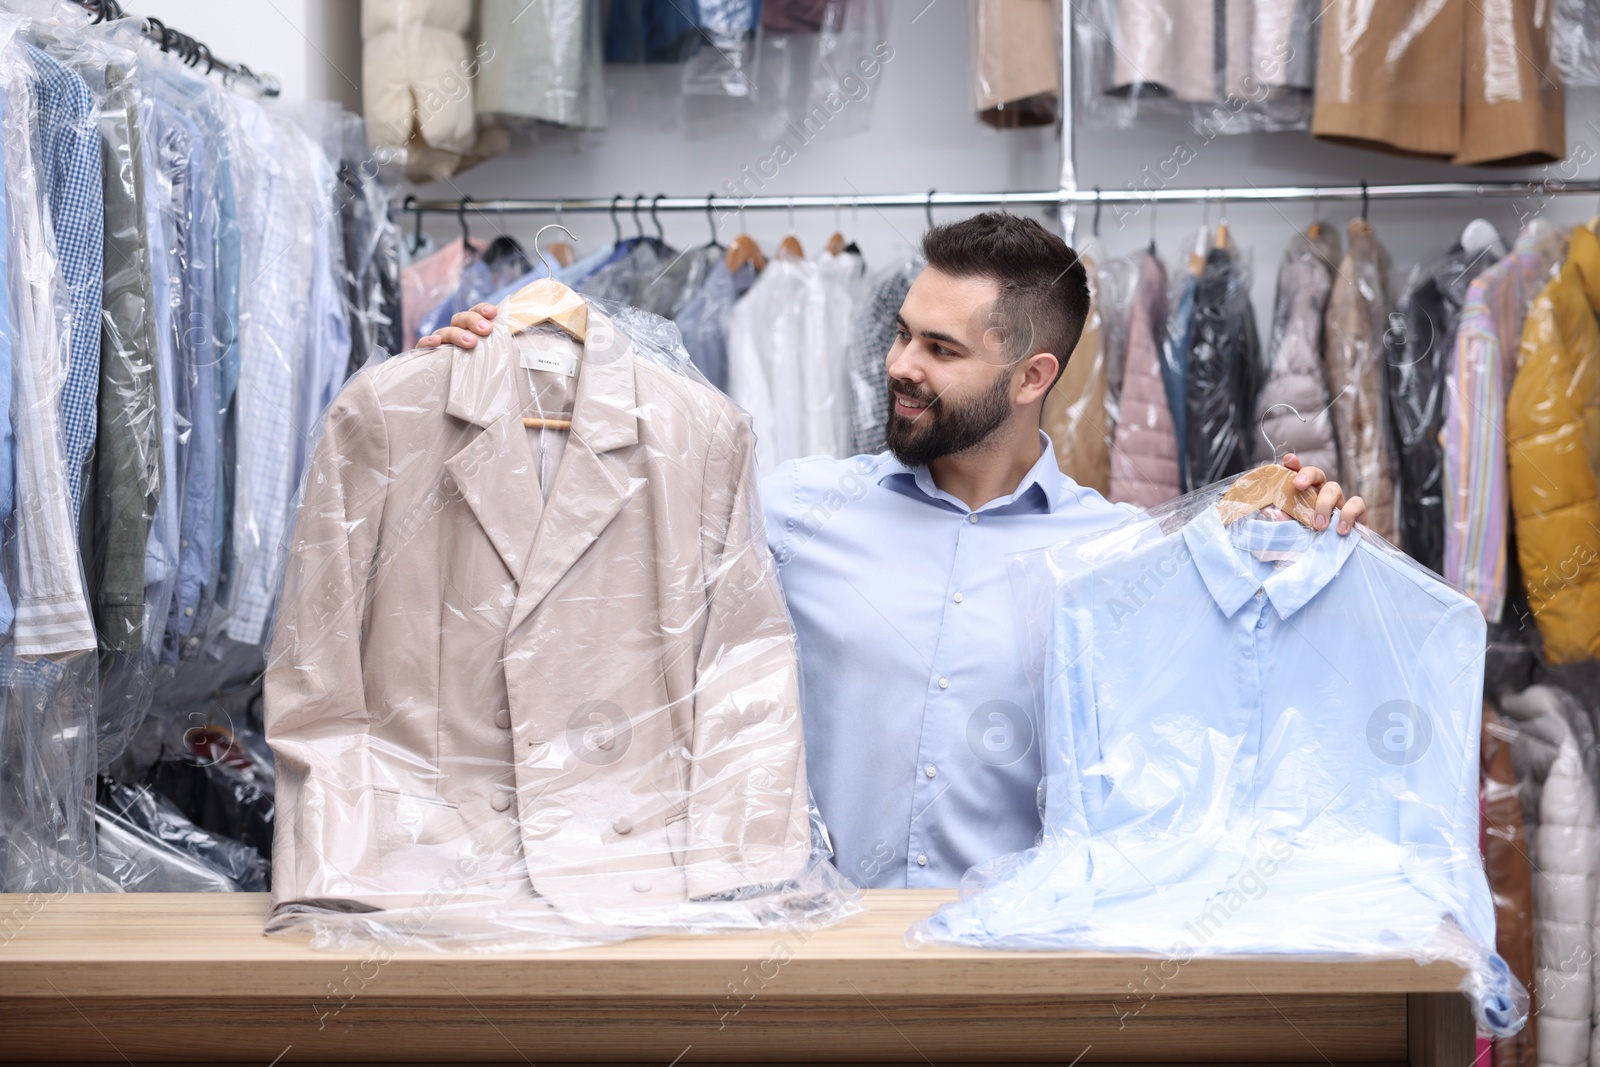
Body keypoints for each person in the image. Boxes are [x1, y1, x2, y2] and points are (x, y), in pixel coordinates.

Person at [419, 212, 1367, 889]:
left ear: (1033, 375)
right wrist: (498, 379)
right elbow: (593, 525)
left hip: (1010, 981)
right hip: (812, 974)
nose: (901, 366)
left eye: (941, 350)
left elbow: (1234, 723)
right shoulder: (789, 510)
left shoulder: (1118, 556)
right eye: (903, 335)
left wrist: (1302, 534)